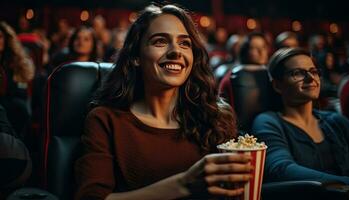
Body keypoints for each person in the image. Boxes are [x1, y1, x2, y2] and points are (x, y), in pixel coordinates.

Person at [75, 4, 253, 200]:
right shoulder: (105, 120)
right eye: (160, 41)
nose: (176, 52)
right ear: (135, 56)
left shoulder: (216, 117)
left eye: (185, 43)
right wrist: (183, 185)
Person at [252, 47, 349, 185]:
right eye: (298, 73)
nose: (311, 78)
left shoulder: (335, 120)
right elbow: (280, 169)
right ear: (277, 85)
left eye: (314, 71)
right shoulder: (268, 122)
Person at [0, 21, 35, 138]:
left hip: (11, 105)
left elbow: (21, 92)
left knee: (19, 107)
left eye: (0, 37)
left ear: (5, 40)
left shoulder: (14, 62)